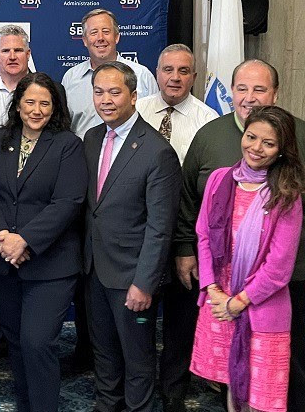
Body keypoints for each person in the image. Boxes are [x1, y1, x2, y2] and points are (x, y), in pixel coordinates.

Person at [176, 59, 305, 412]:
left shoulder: (303, 144)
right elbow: (194, 210)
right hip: (226, 283)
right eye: (241, 88)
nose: (249, 97)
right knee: (233, 368)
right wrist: (205, 275)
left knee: (289, 366)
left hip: (289, 279)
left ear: (275, 93)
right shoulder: (211, 138)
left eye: (259, 89)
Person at [0, 72, 87, 412]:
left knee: (37, 343)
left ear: (55, 107)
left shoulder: (68, 144)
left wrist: (25, 240)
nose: (36, 110)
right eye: (30, 102)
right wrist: (3, 237)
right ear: (17, 103)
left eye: (45, 103)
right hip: (3, 262)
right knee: (17, 343)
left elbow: (68, 202)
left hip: (50, 265)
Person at [191, 105, 305, 412]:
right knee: (231, 385)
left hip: (260, 307)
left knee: (260, 400)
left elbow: (279, 268)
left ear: (282, 150)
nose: (256, 148)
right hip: (219, 300)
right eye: (251, 136)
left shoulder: (286, 194)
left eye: (267, 143)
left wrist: (238, 302)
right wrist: (212, 289)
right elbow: (204, 235)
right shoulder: (219, 179)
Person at [83, 61, 181, 412]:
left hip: (132, 278)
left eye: (114, 92)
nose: (105, 100)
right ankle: (106, 406)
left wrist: (144, 283)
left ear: (134, 96)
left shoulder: (157, 152)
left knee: (137, 358)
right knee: (104, 352)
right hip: (95, 269)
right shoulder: (92, 138)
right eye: (98, 92)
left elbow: (160, 227)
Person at [0, 24, 67, 369]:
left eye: (18, 50)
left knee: (32, 322)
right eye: (5, 51)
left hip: (34, 214)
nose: (12, 56)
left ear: (28, 54)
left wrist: (22, 238)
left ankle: (21, 343)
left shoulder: (44, 91)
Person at [134, 44, 217, 412]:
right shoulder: (137, 110)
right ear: (157, 72)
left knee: (181, 320)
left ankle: (173, 389)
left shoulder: (207, 119)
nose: (175, 77)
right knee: (138, 313)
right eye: (168, 69)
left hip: (186, 232)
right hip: (140, 232)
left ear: (194, 77)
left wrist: (188, 243)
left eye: (184, 71)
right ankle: (137, 384)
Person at [62, 8, 158, 139]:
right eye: (94, 32)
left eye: (106, 32)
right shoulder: (71, 77)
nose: (100, 38)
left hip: (131, 155)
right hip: (81, 155)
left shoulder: (142, 75)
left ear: (116, 37)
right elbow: (64, 126)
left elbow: (154, 122)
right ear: (84, 40)